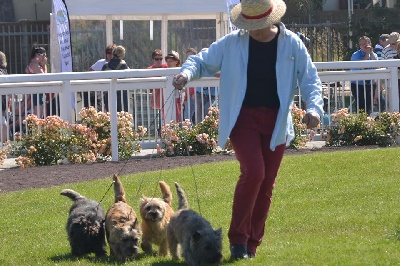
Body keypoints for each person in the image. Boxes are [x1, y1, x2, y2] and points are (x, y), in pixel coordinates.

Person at [173, 0, 323, 260]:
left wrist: (314, 109)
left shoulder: (292, 44)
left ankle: (252, 245)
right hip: (243, 119)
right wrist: (186, 74)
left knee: (266, 184)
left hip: (277, 122)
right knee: (254, 172)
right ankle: (238, 241)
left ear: (270, 20)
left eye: (258, 24)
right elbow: (200, 61)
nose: (252, 29)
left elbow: (310, 79)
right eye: (248, 24)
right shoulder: (232, 42)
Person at [350, 36, 378, 115]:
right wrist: (366, 54)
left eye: (366, 43)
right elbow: (361, 66)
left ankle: (368, 122)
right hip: (357, 84)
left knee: (369, 105)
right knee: (360, 105)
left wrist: (371, 53)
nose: (364, 46)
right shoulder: (355, 55)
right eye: (361, 44)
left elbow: (377, 66)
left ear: (370, 44)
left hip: (370, 84)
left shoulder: (373, 55)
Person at [86, 43, 116, 109]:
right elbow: (89, 72)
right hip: (101, 94)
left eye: (112, 53)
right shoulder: (101, 62)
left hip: (115, 93)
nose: (110, 55)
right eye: (108, 53)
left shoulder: (120, 63)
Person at [101, 45, 129, 112]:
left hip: (108, 94)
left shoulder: (105, 66)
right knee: (122, 116)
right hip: (121, 95)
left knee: (110, 115)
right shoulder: (123, 65)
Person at [148, 49, 168, 134]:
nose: (159, 61)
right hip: (156, 94)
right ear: (153, 59)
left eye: (160, 58)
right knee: (158, 113)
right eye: (157, 59)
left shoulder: (165, 67)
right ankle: (159, 130)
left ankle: (163, 129)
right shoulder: (150, 69)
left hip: (165, 93)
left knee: (164, 113)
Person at [25, 46, 47, 117]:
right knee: (39, 114)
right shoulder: (34, 65)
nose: (44, 57)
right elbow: (44, 77)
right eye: (43, 55)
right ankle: (36, 127)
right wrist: (44, 66)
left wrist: (43, 65)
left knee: (41, 113)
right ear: (37, 55)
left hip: (39, 91)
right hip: (37, 91)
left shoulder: (37, 65)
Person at [165, 51, 182, 121]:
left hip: (177, 98)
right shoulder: (165, 72)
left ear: (176, 62)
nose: (169, 63)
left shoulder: (180, 72)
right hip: (166, 99)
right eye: (167, 61)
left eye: (171, 61)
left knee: (177, 118)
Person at [183, 48, 198, 123]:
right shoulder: (186, 68)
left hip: (197, 95)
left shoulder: (197, 67)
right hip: (189, 96)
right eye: (188, 57)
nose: (189, 59)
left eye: (191, 56)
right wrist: (185, 99)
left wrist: (195, 92)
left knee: (198, 116)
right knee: (187, 117)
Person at [0, 51, 8, 142]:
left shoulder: (1, 71)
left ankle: (3, 142)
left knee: (2, 121)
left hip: (1, 99)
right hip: (3, 99)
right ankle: (4, 142)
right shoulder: (4, 71)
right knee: (2, 120)